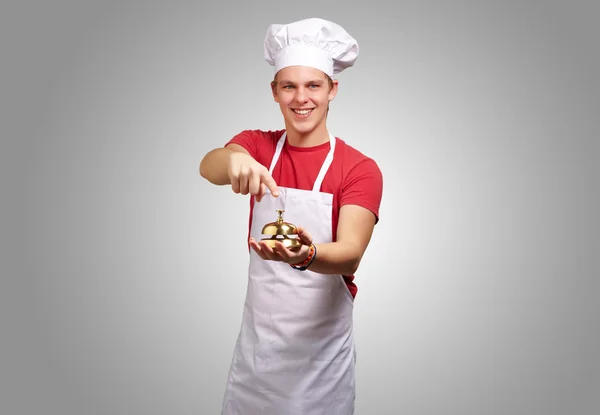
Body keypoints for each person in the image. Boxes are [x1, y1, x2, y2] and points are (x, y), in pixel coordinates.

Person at [199, 17, 383, 415]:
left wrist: (306, 255)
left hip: (318, 368)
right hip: (257, 360)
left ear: (333, 89)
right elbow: (208, 166)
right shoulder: (258, 146)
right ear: (275, 92)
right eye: (289, 86)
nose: (302, 98)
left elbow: (351, 253)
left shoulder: (359, 169)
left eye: (313, 85)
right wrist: (234, 160)